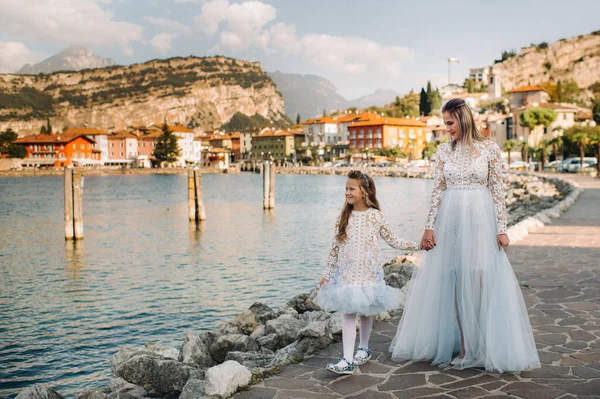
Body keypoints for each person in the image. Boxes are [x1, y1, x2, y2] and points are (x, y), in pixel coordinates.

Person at [389, 98, 540, 373]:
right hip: (451, 221)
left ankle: (485, 344)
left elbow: (497, 191)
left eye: (450, 122)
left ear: (463, 119)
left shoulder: (489, 149)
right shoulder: (443, 152)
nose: (446, 128)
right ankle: (464, 347)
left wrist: (502, 229)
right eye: (444, 123)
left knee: (482, 281)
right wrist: (429, 226)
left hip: (481, 221)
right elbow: (437, 191)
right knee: (456, 282)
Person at [317, 170, 420, 375]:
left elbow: (394, 240)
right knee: (348, 313)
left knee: (365, 312)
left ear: (364, 191)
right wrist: (327, 273)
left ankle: (363, 348)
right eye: (346, 188)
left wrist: (418, 245)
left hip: (368, 274)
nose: (347, 192)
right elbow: (334, 249)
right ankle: (347, 359)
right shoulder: (343, 218)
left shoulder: (375, 216)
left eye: (351, 188)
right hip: (347, 275)